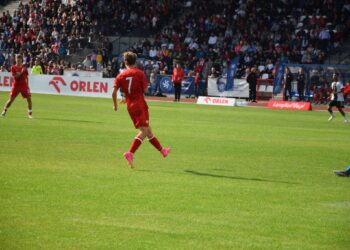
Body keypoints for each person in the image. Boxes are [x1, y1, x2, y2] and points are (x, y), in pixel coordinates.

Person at [112, 51, 171, 168]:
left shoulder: (120, 76)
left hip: (130, 106)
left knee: (148, 130)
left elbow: (114, 92)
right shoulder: (139, 73)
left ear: (125, 62)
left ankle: (162, 150)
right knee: (144, 131)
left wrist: (115, 105)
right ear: (136, 62)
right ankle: (130, 153)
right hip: (139, 105)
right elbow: (146, 91)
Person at [1, 54, 33, 119]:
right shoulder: (13, 67)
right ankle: (4, 111)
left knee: (29, 99)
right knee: (11, 100)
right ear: (15, 60)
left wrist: (27, 85)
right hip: (16, 86)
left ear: (21, 60)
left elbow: (27, 77)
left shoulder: (24, 67)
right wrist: (21, 72)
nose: (18, 61)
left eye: (19, 60)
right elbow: (15, 77)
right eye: (17, 60)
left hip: (24, 86)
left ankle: (30, 114)